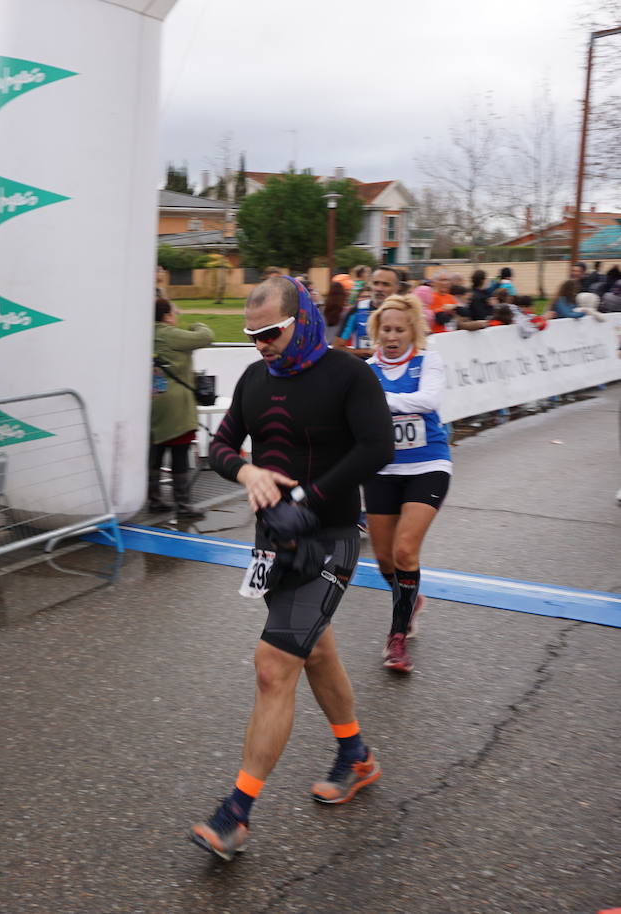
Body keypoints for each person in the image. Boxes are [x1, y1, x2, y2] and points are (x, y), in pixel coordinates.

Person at [189, 276, 393, 861]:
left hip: (329, 535)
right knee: (316, 649)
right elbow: (219, 447)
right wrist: (246, 473)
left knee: (274, 664)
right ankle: (355, 756)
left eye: (271, 332)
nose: (261, 345)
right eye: (252, 335)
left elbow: (376, 448)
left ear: (302, 320)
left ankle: (236, 813)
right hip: (276, 540)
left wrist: (306, 498)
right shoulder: (256, 378)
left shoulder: (349, 374)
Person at [361, 296, 451, 673]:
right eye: (386, 330)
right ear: (377, 332)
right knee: (383, 560)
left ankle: (397, 639)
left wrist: (380, 401)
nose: (392, 336)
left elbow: (428, 400)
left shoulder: (428, 361)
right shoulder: (366, 369)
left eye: (400, 329)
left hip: (428, 464)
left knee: (404, 552)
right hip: (382, 469)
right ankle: (410, 598)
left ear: (413, 329)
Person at [149, 296, 214, 517]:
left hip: (153, 403)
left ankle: (154, 500)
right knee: (179, 453)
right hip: (176, 407)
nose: (176, 316)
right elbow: (206, 336)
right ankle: (183, 505)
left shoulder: (147, 334)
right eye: (175, 313)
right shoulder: (170, 333)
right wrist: (196, 324)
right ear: (166, 316)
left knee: (155, 454)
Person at [335, 265, 397, 359]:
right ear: (370, 285)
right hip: (365, 369)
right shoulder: (358, 309)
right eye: (376, 283)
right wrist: (367, 352)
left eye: (385, 284)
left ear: (396, 288)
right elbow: (337, 347)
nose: (379, 288)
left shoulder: (404, 311)